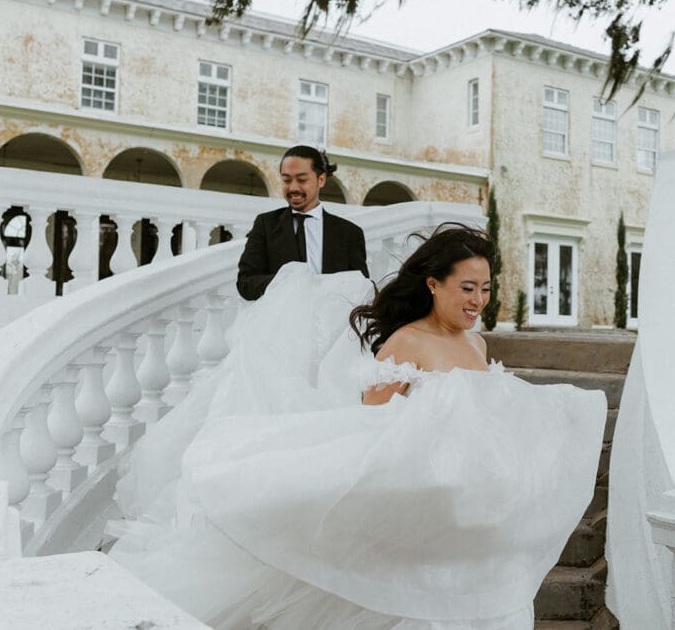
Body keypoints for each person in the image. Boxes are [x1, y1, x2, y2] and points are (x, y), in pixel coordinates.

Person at [109, 225, 607, 629]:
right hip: (419, 506)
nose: (478, 300)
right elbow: (373, 428)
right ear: (434, 285)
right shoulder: (406, 343)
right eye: (467, 288)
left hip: (468, 512)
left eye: (486, 289)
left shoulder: (476, 345)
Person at [236, 145, 368, 301]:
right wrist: (287, 281)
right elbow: (245, 283)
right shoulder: (265, 224)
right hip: (280, 321)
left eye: (302, 180)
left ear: (321, 180)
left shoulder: (350, 233)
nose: (293, 187)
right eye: (286, 180)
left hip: (330, 321)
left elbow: (361, 287)